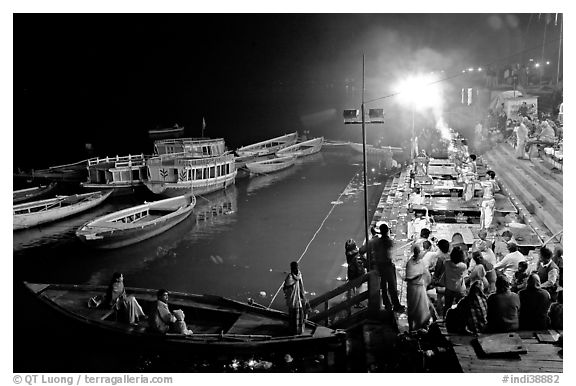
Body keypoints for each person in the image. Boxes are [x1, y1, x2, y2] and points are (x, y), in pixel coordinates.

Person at [373, 223, 405, 313]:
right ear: (387, 231)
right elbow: (391, 254)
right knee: (392, 286)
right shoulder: (388, 241)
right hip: (387, 266)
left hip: (380, 266)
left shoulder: (376, 242)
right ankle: (396, 305)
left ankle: (387, 305)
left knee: (383, 287)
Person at [405, 245, 432, 331]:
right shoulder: (409, 263)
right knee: (412, 308)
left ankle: (422, 325)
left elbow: (427, 275)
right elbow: (409, 277)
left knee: (423, 308)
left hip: (420, 288)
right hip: (413, 289)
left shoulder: (421, 262)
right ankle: (411, 327)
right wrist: (418, 276)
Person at [283, 261, 308, 335]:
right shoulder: (292, 276)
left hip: (296, 299)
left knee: (297, 315)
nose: (296, 269)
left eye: (297, 267)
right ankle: (295, 331)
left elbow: (286, 287)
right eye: (295, 267)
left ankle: (297, 331)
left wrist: (302, 296)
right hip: (293, 298)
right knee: (294, 315)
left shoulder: (295, 276)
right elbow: (287, 287)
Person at [442, 246, 468, 317]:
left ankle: (445, 319)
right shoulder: (463, 266)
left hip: (449, 287)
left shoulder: (446, 263)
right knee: (461, 306)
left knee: (447, 305)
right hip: (459, 288)